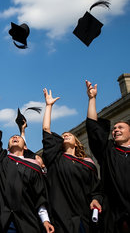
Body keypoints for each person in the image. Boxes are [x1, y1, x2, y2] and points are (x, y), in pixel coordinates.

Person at [0, 91, 54, 233]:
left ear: (25, 146)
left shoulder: (33, 167)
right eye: (12, 137)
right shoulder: (0, 160)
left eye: (18, 137)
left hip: (27, 222)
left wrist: (45, 220)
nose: (15, 137)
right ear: (7, 147)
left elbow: (39, 196)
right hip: (2, 223)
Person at [42, 88, 102, 233]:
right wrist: (49, 106)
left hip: (86, 217)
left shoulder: (87, 164)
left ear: (76, 142)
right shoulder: (55, 159)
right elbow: (46, 128)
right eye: (63, 135)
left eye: (69, 134)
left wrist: (96, 200)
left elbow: (96, 189)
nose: (66, 135)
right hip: (63, 218)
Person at [85, 80, 130, 233]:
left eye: (121, 127)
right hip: (116, 217)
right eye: (114, 128)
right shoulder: (108, 150)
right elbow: (93, 128)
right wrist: (92, 99)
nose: (115, 130)